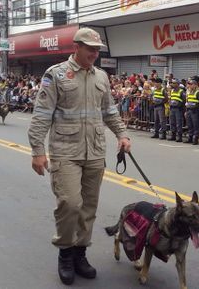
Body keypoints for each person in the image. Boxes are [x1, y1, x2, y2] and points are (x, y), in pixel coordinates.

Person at [27, 28, 130, 285]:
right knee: (70, 205)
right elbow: (41, 115)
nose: (94, 53)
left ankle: (80, 254)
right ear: (76, 47)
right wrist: (38, 151)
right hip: (65, 151)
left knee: (88, 208)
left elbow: (109, 111)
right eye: (89, 49)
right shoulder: (56, 74)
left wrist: (122, 135)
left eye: (97, 49)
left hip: (94, 151)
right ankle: (65, 253)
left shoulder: (102, 77)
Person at [184, 79, 199, 145]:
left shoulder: (198, 92)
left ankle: (195, 139)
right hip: (189, 110)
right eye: (189, 84)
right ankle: (190, 138)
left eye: (191, 84)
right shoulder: (189, 92)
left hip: (195, 111)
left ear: (195, 85)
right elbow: (187, 102)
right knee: (189, 125)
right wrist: (186, 111)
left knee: (195, 125)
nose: (190, 86)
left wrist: (196, 107)